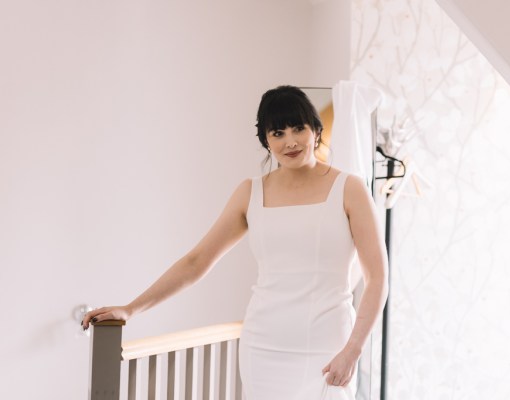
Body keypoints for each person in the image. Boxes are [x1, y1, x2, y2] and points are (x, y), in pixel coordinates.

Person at [82, 85, 388, 399]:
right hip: (263, 348)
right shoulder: (250, 192)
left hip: (328, 347)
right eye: (278, 132)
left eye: (299, 128)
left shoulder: (349, 189)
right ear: (265, 141)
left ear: (316, 130)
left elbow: (377, 277)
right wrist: (131, 309)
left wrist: (353, 349)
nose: (290, 141)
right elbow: (196, 262)